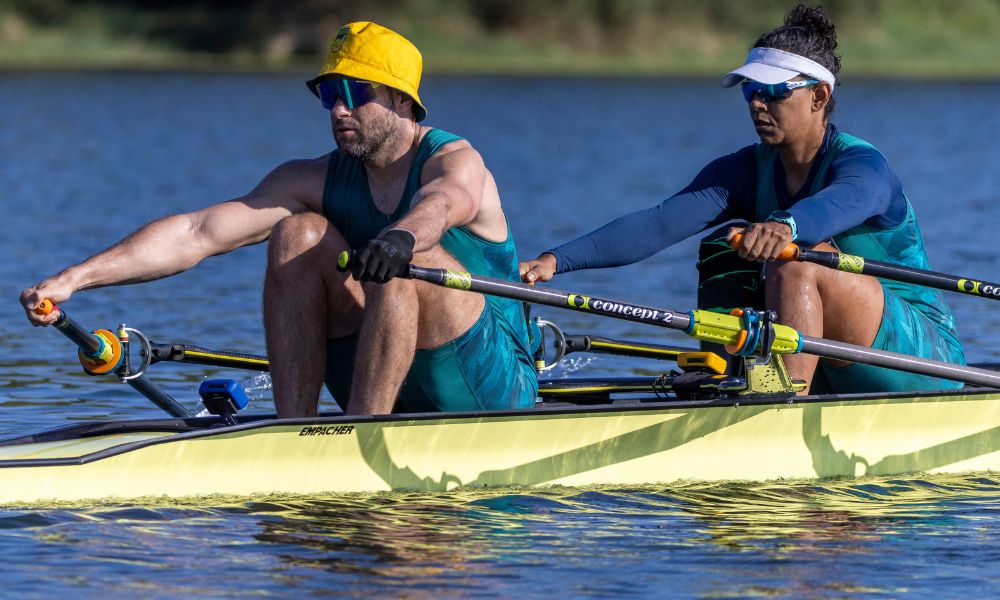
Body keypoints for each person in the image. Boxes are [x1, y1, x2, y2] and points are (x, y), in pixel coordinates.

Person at [20, 21, 538, 416]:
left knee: (409, 253)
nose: (339, 110)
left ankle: (359, 437)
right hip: (382, 368)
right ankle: (298, 434)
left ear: (402, 100)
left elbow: (445, 203)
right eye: (330, 94)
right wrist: (74, 279)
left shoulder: (455, 160)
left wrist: (402, 236)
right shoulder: (312, 179)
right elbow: (197, 234)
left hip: (491, 382)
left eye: (355, 93)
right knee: (298, 232)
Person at [519, 5, 964, 395]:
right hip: (832, 358)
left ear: (819, 96)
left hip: (919, 355)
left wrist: (785, 226)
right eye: (751, 92)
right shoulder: (744, 170)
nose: (757, 105)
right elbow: (657, 225)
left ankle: (780, 404)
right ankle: (727, 380)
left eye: (773, 93)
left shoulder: (864, 166)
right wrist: (554, 261)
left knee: (800, 259)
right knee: (723, 245)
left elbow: (842, 203)